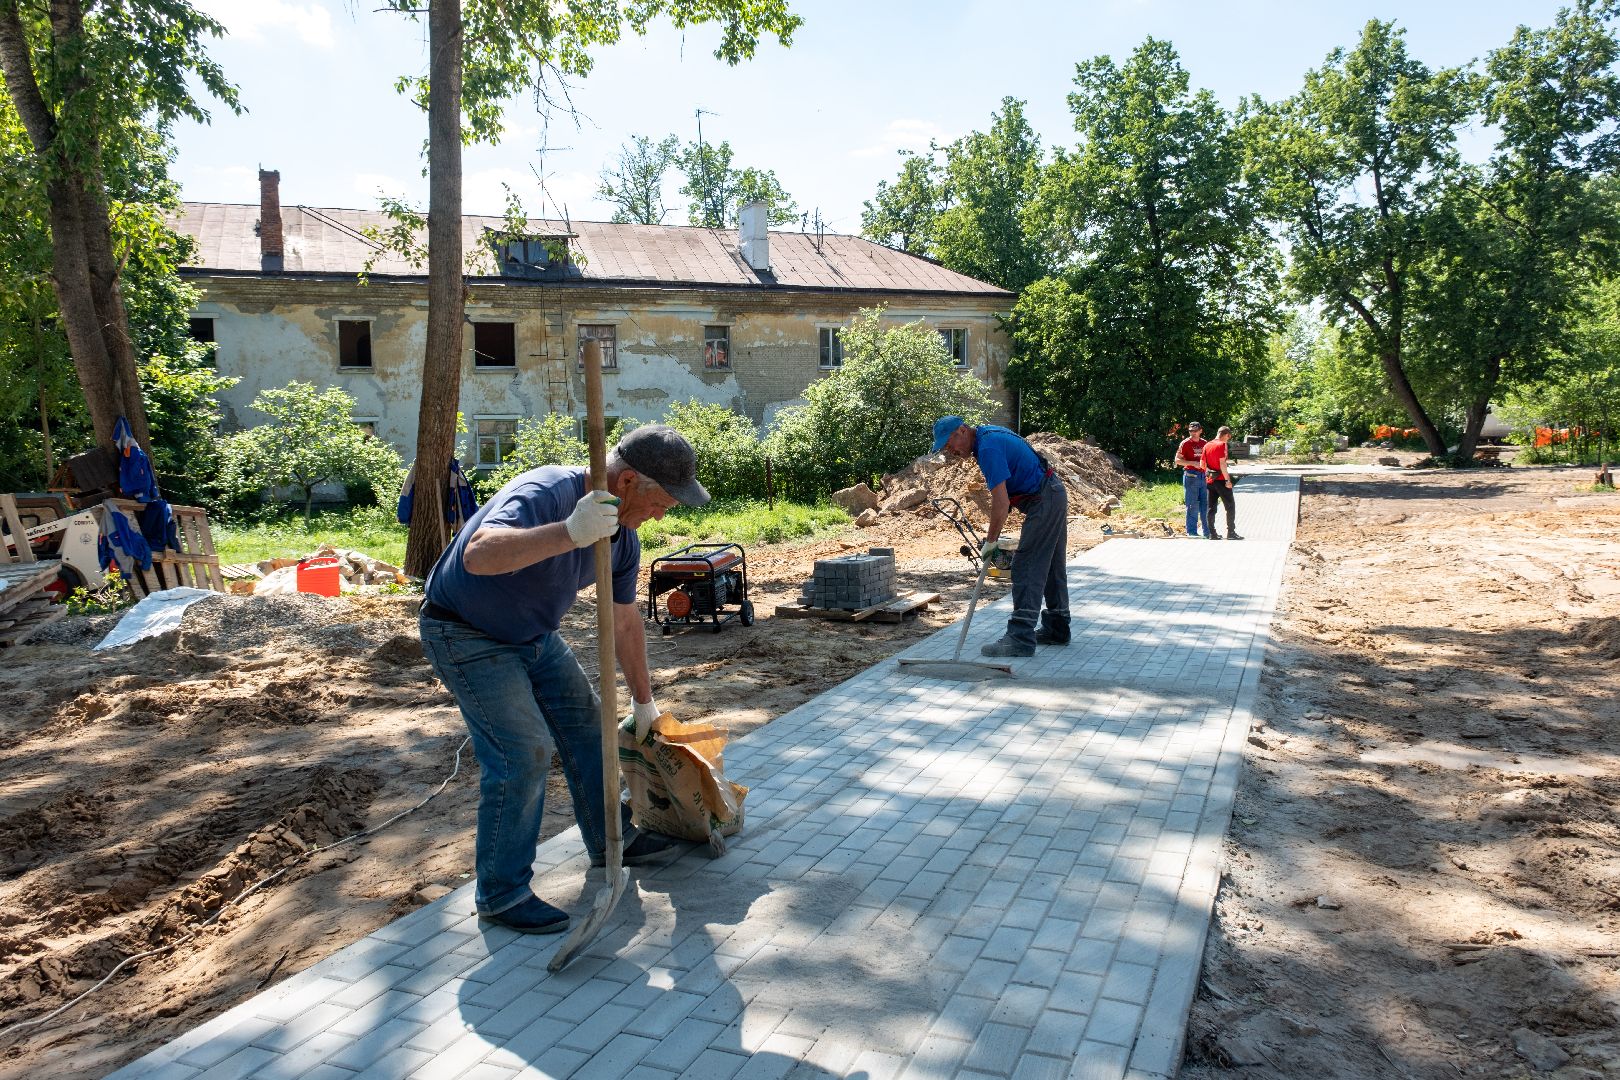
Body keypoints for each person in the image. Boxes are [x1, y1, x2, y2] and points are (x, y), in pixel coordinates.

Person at [419, 425, 710, 935]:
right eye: (662, 501)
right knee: (523, 752)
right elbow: (477, 554)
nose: (665, 514)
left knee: (592, 731)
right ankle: (501, 892)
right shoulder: (545, 491)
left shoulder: (624, 541)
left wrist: (645, 705)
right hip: (465, 632)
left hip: (533, 636)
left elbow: (624, 621)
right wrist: (570, 534)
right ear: (625, 484)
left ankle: (609, 841)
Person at [932, 416, 1069, 658]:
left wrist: (991, 540)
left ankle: (1020, 638)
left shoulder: (988, 449)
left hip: (1044, 499)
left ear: (962, 431)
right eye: (945, 447)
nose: (950, 450)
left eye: (950, 443)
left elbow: (1001, 502)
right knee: (1050, 566)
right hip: (1051, 494)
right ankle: (1057, 627)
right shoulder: (988, 437)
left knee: (1027, 565)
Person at [1203, 425, 1241, 540]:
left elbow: (1202, 464)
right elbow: (1222, 464)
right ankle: (1231, 533)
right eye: (1228, 437)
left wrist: (1209, 475)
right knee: (1230, 506)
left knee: (1211, 508)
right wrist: (1227, 480)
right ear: (1226, 435)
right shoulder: (1222, 445)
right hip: (1221, 480)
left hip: (1210, 480)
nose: (1228, 440)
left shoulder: (1206, 445)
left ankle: (1212, 533)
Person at [1174, 422, 1209, 537]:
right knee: (1192, 505)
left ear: (1200, 431)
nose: (1193, 433)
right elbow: (1177, 460)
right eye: (1190, 431)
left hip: (1203, 477)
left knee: (1205, 505)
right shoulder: (1185, 443)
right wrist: (1192, 463)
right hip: (1191, 476)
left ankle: (1207, 531)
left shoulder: (1205, 443)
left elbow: (1209, 459)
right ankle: (1192, 532)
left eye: (1195, 431)